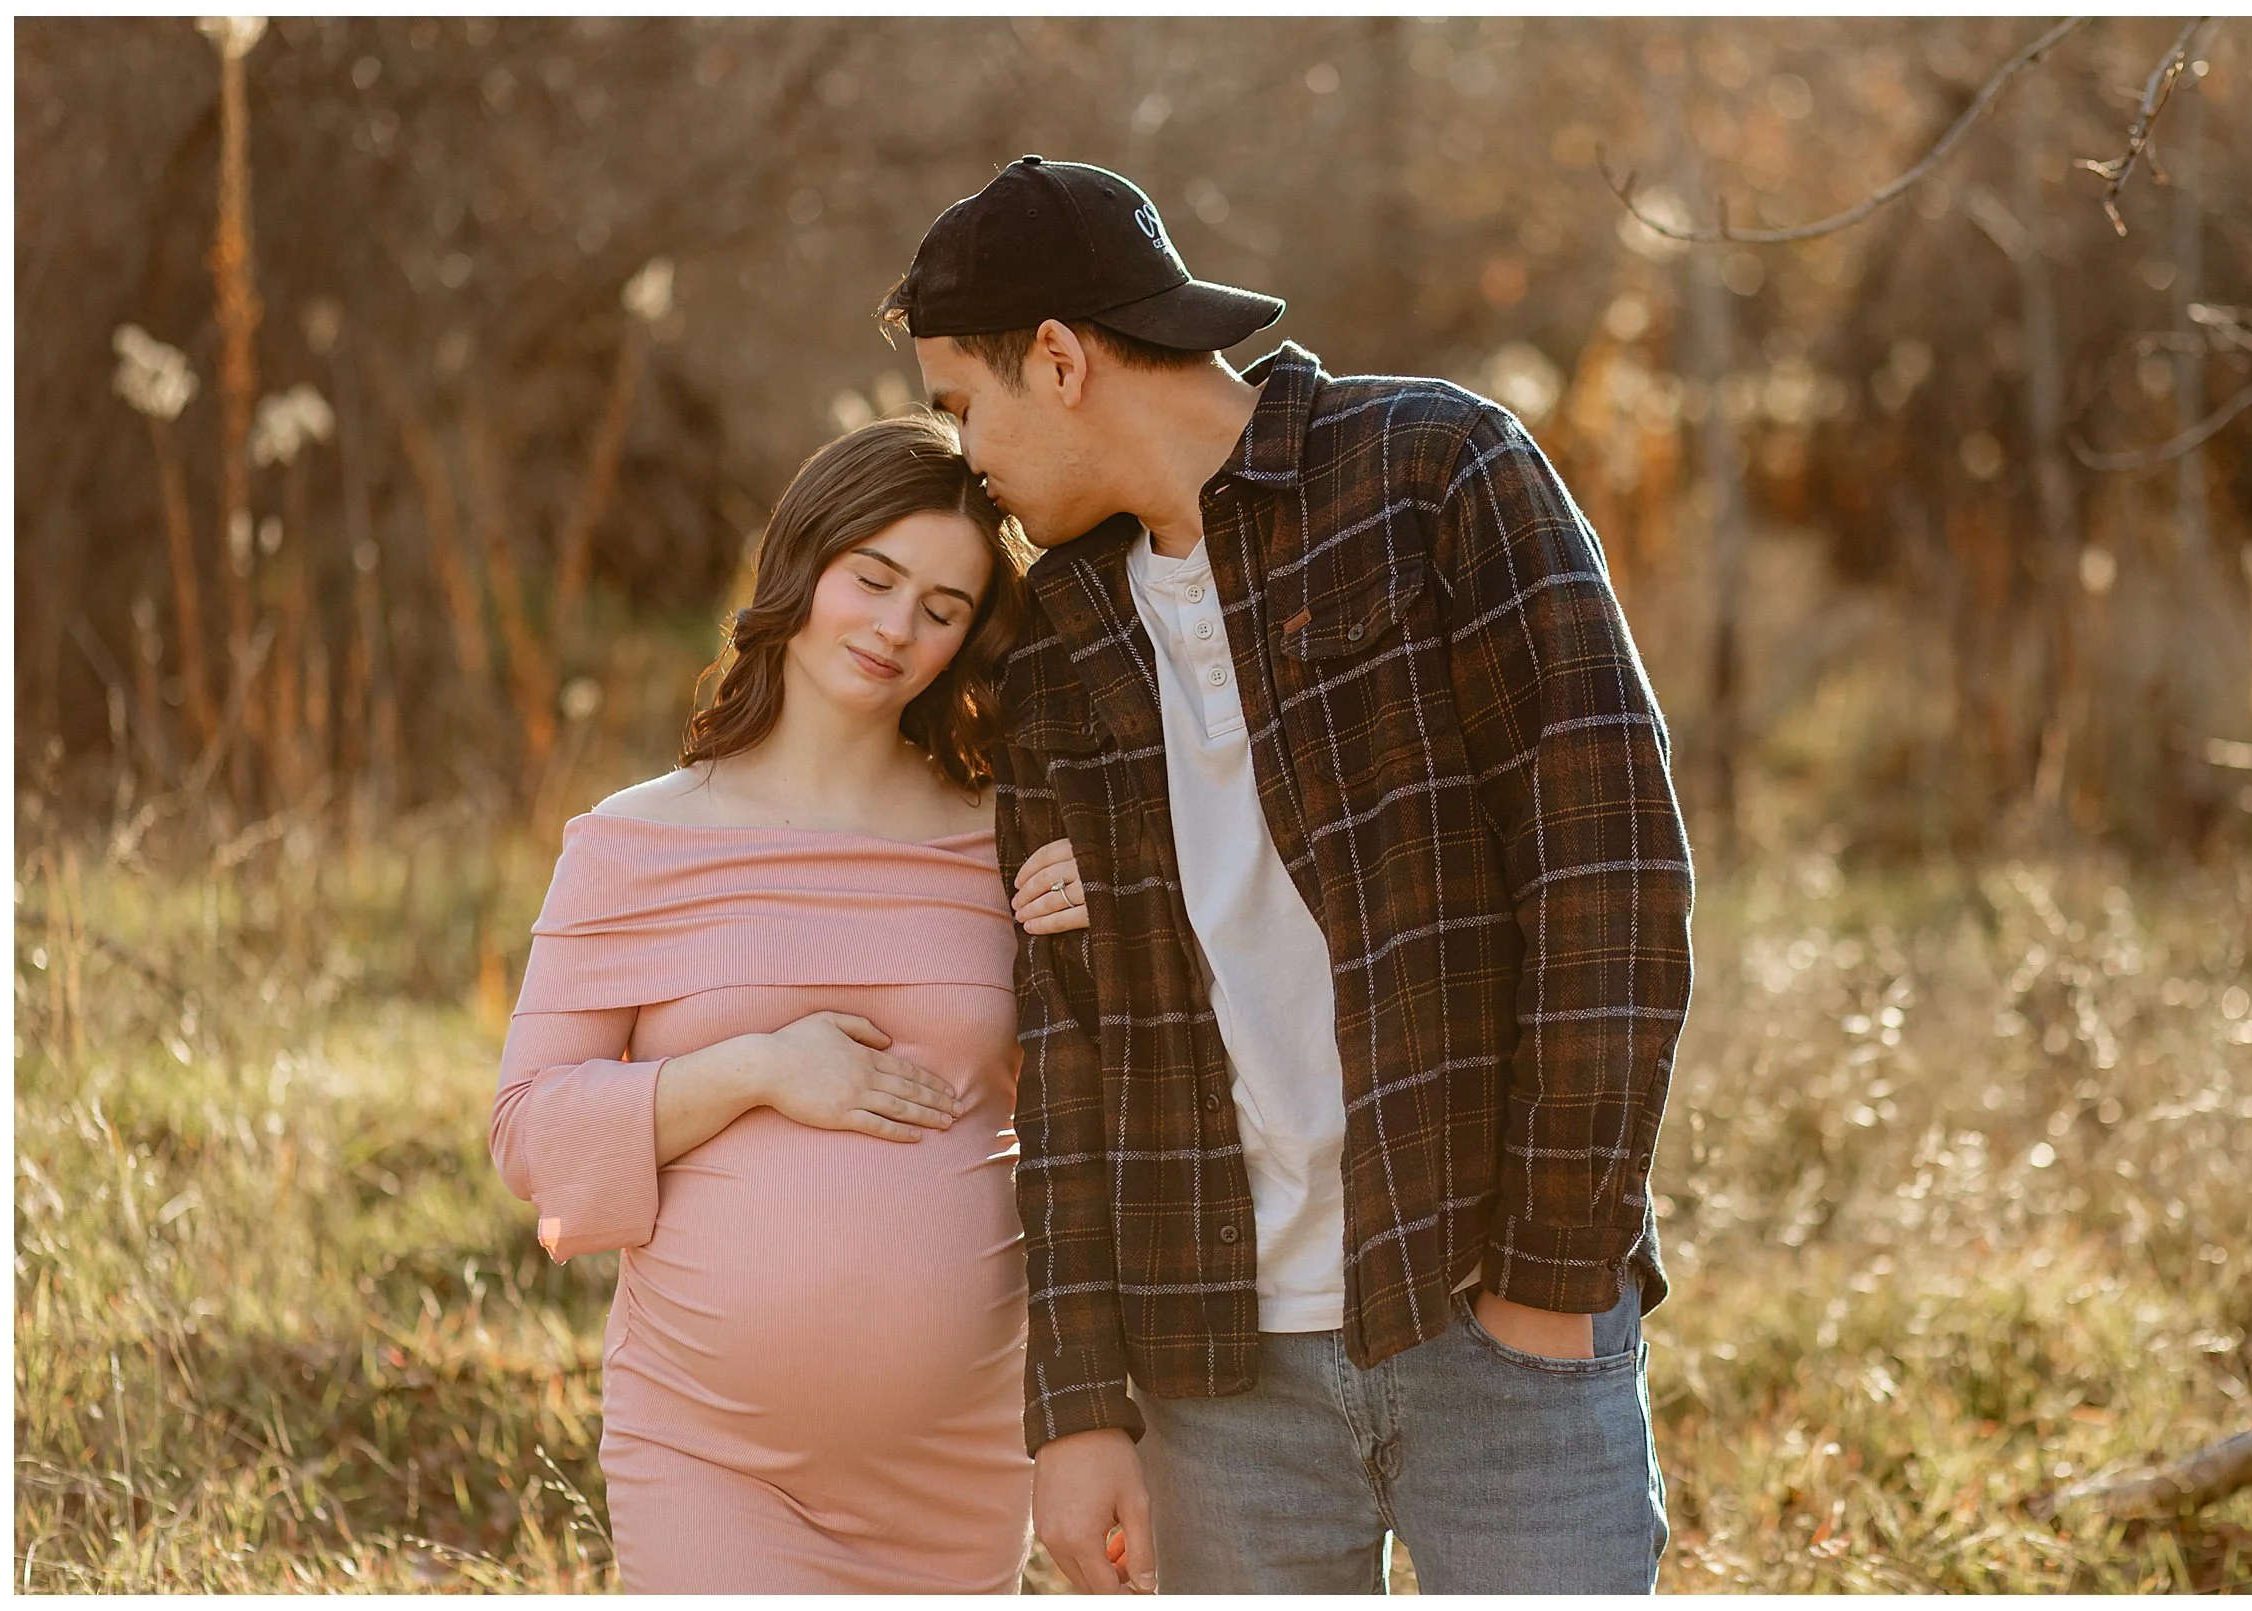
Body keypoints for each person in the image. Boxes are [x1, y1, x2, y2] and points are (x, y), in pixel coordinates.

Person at [879, 158, 1697, 1594]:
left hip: (1489, 1315)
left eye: (963, 404)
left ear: (1059, 360)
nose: (968, 454)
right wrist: (1077, 1404)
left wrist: (1552, 1276)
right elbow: (1070, 1047)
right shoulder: (1061, 639)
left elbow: (1610, 878)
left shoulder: (1435, 472)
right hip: (1217, 1379)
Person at [489, 414, 1080, 1592]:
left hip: (959, 1455)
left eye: (943, 608)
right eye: (874, 579)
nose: (896, 629)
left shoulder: (1007, 836)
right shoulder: (636, 842)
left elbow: (1099, 1101)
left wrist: (1106, 913)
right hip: (711, 1453)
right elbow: (529, 1134)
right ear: (802, 563)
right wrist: (755, 1070)